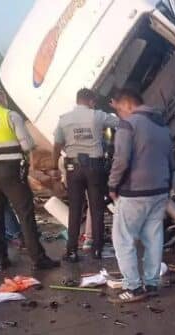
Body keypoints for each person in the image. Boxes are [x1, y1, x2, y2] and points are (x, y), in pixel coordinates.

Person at [0, 87, 60, 270]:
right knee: (25, 213)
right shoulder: (10, 116)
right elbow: (27, 144)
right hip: (12, 172)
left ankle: (1, 259)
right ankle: (38, 258)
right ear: (1, 98)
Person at [107, 88, 174, 303]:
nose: (119, 114)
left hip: (134, 191)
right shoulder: (162, 125)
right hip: (160, 190)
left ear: (127, 104)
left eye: (118, 109)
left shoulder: (128, 124)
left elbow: (121, 159)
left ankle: (134, 288)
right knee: (153, 237)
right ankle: (152, 283)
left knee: (123, 239)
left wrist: (112, 184)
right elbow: (172, 161)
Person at [53, 88, 118, 262]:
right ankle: (97, 250)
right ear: (91, 101)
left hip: (73, 168)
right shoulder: (97, 115)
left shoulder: (63, 119)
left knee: (75, 209)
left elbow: (57, 145)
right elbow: (119, 123)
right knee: (96, 208)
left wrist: (54, 167)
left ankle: (71, 251)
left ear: (77, 100)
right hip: (94, 168)